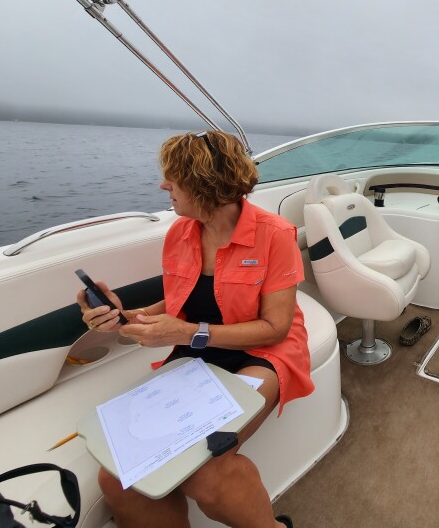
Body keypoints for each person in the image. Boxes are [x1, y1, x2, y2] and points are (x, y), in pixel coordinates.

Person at [79, 130, 309, 528]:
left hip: (262, 353)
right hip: (196, 348)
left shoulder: (275, 234)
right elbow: (180, 301)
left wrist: (186, 334)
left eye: (173, 178)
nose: (162, 185)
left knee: (207, 470)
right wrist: (125, 318)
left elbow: (275, 327)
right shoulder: (179, 233)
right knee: (119, 476)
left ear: (205, 184)